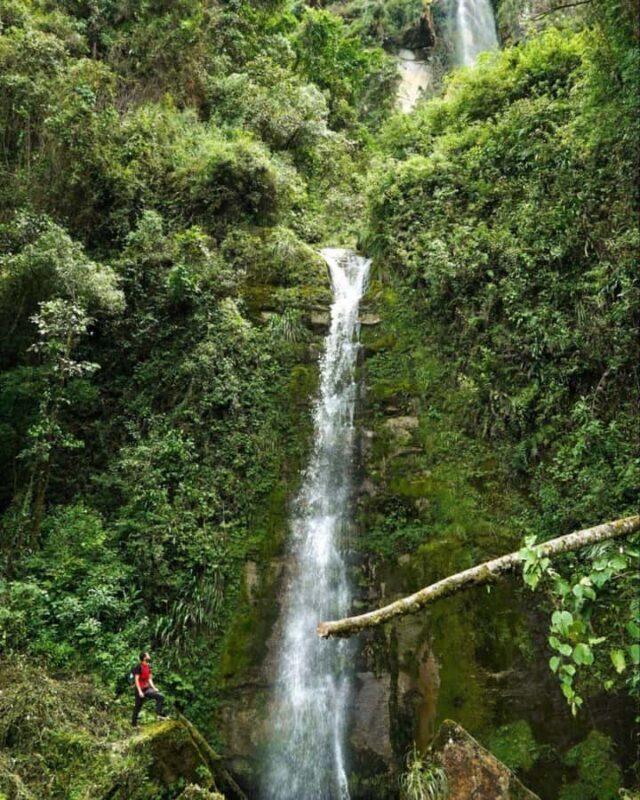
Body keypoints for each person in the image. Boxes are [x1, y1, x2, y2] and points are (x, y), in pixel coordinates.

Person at [131, 651, 167, 727]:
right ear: (144, 658)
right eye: (148, 655)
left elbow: (149, 679)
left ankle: (159, 715)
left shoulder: (148, 666)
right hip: (139, 690)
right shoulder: (138, 667)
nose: (149, 655)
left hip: (146, 688)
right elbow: (136, 680)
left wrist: (154, 688)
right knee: (138, 706)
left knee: (160, 697)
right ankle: (134, 725)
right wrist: (140, 691)